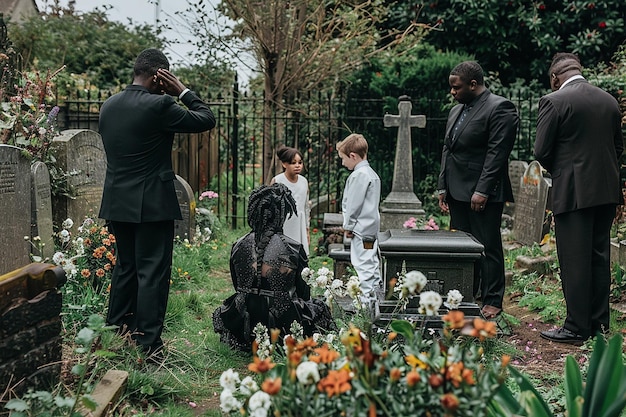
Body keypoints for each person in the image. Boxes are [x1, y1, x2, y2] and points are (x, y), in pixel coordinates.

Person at [99, 48, 216, 357]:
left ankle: (115, 333)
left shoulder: (108, 106)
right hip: (151, 203)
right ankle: (148, 344)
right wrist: (183, 91)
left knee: (125, 268)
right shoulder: (161, 104)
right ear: (159, 76)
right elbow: (206, 119)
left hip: (117, 202)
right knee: (152, 272)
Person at [535, 53, 624, 345]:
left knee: (574, 260)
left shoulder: (554, 101)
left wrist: (566, 172)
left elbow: (541, 151)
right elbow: (617, 147)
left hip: (573, 192)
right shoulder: (609, 101)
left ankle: (575, 327)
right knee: (599, 257)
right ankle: (598, 324)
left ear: (555, 78)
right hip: (606, 191)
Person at [437, 61, 519, 320]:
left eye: (456, 87)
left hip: (483, 192)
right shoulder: (455, 111)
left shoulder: (500, 107)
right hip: (456, 190)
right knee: (463, 247)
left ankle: (492, 298)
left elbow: (497, 154)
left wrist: (482, 190)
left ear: (473, 84)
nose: (453, 92)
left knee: (488, 246)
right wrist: (442, 186)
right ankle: (466, 294)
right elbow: (447, 150)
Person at [212, 183, 336, 352]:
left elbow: (237, 285)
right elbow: (304, 293)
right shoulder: (293, 248)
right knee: (319, 306)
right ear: (283, 213)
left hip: (244, 322)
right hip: (282, 325)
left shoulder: (238, 245)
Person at [336, 133, 382, 307]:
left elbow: (353, 204)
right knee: (371, 264)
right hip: (370, 229)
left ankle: (366, 305)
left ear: (353, 156)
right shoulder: (371, 174)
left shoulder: (358, 175)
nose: (342, 163)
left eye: (343, 158)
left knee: (363, 266)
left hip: (360, 229)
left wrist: (348, 225)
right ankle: (376, 299)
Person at [270, 146, 310, 255]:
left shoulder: (304, 182)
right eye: (293, 163)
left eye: (300, 162)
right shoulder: (277, 181)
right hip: (284, 224)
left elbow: (306, 207)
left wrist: (307, 229)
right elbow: (271, 207)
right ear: (284, 164)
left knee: (299, 255)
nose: (297, 166)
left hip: (299, 223)